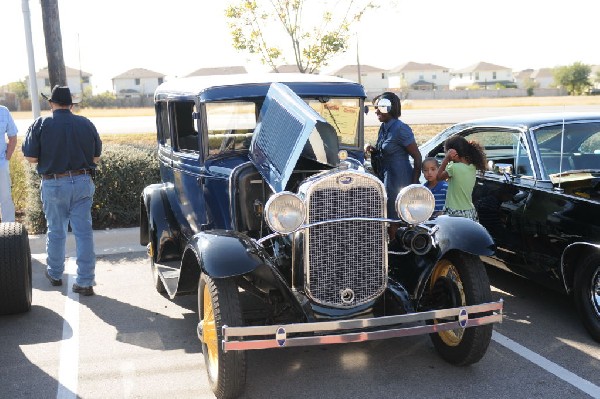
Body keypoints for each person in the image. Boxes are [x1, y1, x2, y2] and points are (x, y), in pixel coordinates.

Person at [22, 85, 102, 296]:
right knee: (83, 232)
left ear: (51, 103)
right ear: (71, 105)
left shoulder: (41, 124)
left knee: (56, 229)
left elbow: (30, 158)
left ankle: (55, 274)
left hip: (55, 182)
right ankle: (85, 281)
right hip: (83, 180)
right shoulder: (85, 123)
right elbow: (96, 157)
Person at [365, 92, 422, 219]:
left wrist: (413, 186)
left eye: (380, 108)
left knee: (396, 220)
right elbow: (385, 150)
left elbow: (417, 157)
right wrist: (372, 150)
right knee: (387, 219)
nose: (376, 111)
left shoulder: (401, 129)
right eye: (376, 108)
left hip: (400, 181)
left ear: (390, 108)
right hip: (386, 179)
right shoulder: (384, 127)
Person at [436, 135, 486, 221]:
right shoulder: (472, 166)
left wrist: (446, 159)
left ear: (453, 153)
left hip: (454, 212)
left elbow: (438, 177)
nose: (446, 155)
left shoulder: (453, 168)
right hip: (469, 212)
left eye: (446, 153)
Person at [0, 105, 18, 222]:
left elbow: (13, 136)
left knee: (6, 198)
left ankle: (9, 233)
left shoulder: (3, 111)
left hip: (1, 163)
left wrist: (6, 159)